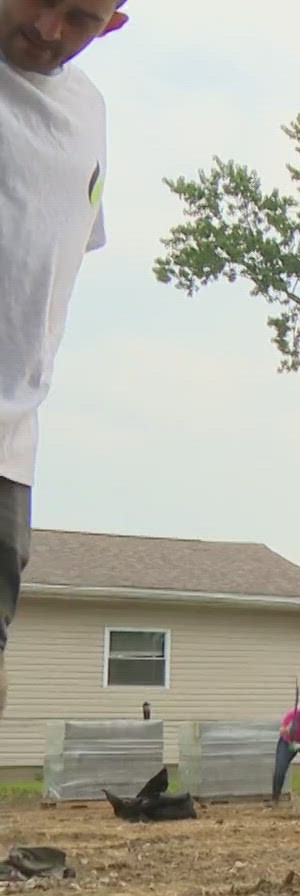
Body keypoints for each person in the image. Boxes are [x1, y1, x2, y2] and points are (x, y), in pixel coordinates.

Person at [0, 0, 127, 718]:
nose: (50, 31)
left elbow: (49, 249)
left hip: (7, 455)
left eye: (78, 17)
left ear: (111, 25)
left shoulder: (89, 115)